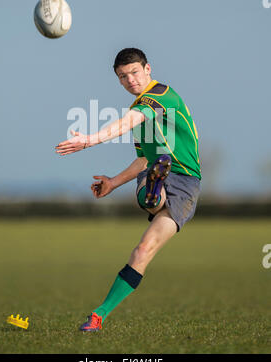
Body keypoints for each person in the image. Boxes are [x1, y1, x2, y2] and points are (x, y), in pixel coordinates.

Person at [55, 48, 201, 332]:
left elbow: (128, 122)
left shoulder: (158, 96)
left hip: (185, 183)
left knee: (146, 229)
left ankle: (153, 193)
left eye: (134, 72)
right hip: (158, 170)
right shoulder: (141, 110)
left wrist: (89, 140)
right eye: (123, 76)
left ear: (148, 69)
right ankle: (97, 318)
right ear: (119, 80)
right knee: (144, 233)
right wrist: (112, 182)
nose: (130, 79)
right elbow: (143, 158)